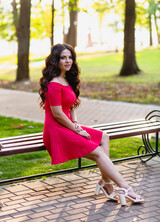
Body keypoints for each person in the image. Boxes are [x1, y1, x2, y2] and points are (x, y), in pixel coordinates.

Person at [39, 43, 144, 206]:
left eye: (70, 57)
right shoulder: (53, 84)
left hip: (67, 125)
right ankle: (125, 187)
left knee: (104, 136)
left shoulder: (66, 79)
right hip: (56, 130)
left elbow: (71, 106)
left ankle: (106, 182)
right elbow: (58, 113)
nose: (68, 61)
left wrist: (76, 123)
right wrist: (77, 130)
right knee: (99, 152)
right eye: (63, 58)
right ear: (55, 60)